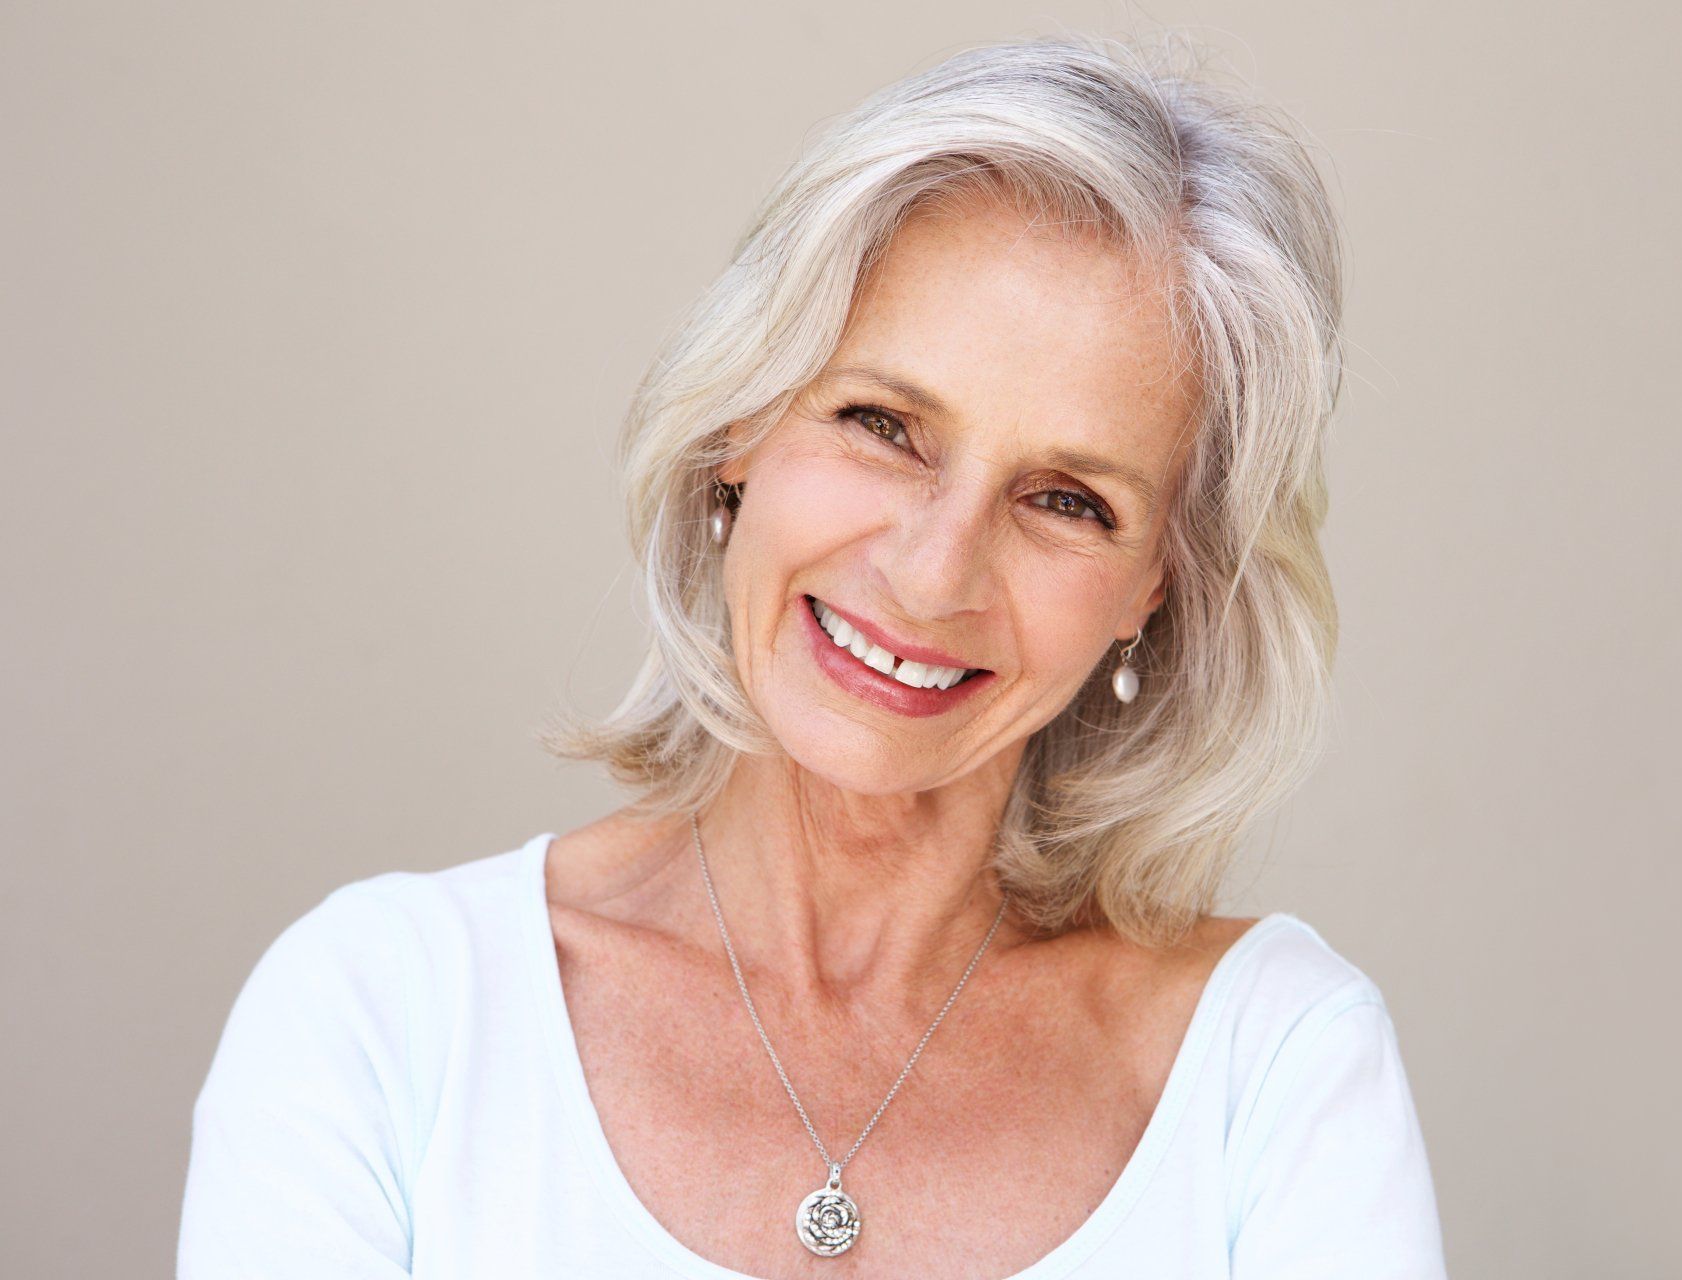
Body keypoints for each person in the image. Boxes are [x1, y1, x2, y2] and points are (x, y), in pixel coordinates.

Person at [178, 33, 1447, 1279]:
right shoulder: (383, 1014)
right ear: (741, 415)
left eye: (1068, 500)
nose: (933, 572)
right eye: (883, 423)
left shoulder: (1276, 1067)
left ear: (1154, 584)